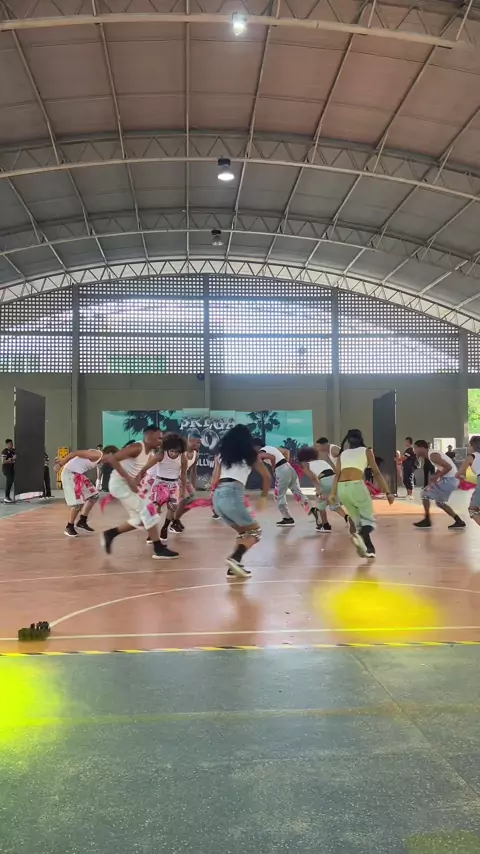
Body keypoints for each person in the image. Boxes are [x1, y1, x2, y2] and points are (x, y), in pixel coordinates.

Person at [102, 426, 178, 560]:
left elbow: (139, 471)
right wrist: (129, 479)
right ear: (149, 436)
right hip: (119, 484)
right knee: (147, 508)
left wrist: (137, 481)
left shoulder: (149, 454)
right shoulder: (137, 447)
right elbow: (112, 459)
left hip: (128, 485)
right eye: (159, 438)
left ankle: (110, 534)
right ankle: (158, 548)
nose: (161, 441)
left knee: (139, 520)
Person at [212, 425, 270, 577]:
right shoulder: (250, 454)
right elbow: (267, 476)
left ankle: (234, 567)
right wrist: (263, 497)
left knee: (244, 533)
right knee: (255, 531)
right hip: (233, 492)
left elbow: (214, 480)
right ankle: (235, 558)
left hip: (217, 497)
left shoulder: (222, 455)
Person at [329, 429, 394, 558]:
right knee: (369, 521)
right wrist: (388, 492)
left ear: (348, 440)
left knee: (358, 522)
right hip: (356, 486)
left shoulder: (343, 453)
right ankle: (360, 536)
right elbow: (376, 472)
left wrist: (332, 494)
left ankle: (369, 549)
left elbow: (337, 475)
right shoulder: (367, 451)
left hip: (342, 489)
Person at [136, 433, 187, 546]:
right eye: (172, 451)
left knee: (173, 507)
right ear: (167, 448)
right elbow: (145, 468)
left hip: (174, 484)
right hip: (160, 483)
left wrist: (183, 488)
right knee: (155, 509)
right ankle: (152, 533)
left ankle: (165, 528)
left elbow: (183, 474)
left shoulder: (183, 458)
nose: (174, 453)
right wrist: (138, 479)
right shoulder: (160, 455)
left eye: (177, 451)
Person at [254, 441, 312, 526]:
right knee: (296, 491)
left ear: (256, 447)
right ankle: (312, 509)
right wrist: (286, 464)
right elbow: (286, 451)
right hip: (289, 468)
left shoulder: (260, 453)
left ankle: (288, 518)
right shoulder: (272, 448)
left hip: (281, 470)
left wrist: (274, 468)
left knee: (278, 495)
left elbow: (272, 457)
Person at [298, 445, 354, 533]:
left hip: (324, 481)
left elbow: (313, 478)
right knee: (334, 504)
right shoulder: (322, 461)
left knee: (321, 504)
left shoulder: (306, 465)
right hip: (334, 480)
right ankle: (347, 517)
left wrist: (320, 491)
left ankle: (325, 525)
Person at [413, 440, 465, 530]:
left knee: (424, 494)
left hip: (450, 480)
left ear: (421, 448)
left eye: (415, 448)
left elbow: (448, 467)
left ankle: (427, 520)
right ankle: (459, 521)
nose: (414, 451)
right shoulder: (432, 454)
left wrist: (437, 476)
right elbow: (442, 467)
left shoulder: (432, 455)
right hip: (451, 479)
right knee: (439, 503)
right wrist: (436, 475)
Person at [55, 447, 103, 537]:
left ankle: (82, 521)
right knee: (78, 503)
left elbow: (78, 459)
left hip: (78, 475)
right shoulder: (97, 454)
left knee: (94, 495)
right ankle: (69, 527)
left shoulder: (100, 459)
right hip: (70, 474)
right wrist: (61, 464)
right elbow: (75, 453)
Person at [171, 431, 201, 533]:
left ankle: (176, 519)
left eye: (199, 443)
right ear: (190, 441)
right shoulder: (180, 452)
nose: (199, 445)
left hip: (183, 478)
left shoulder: (196, 455)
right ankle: (174, 522)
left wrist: (193, 486)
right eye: (197, 442)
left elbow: (193, 472)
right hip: (174, 477)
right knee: (184, 499)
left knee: (193, 500)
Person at [456, 436, 480, 527]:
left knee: (472, 510)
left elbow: (459, 474)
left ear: (473, 445)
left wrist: (466, 479)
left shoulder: (471, 457)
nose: (468, 447)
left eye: (469, 445)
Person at [2, 439, 16, 504]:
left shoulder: (13, 451)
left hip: (11, 469)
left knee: (11, 481)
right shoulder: (5, 451)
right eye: (10, 444)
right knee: (9, 480)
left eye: (12, 443)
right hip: (6, 469)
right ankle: (6, 497)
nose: (12, 445)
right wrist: (11, 459)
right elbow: (3, 461)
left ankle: (8, 497)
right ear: (7, 444)